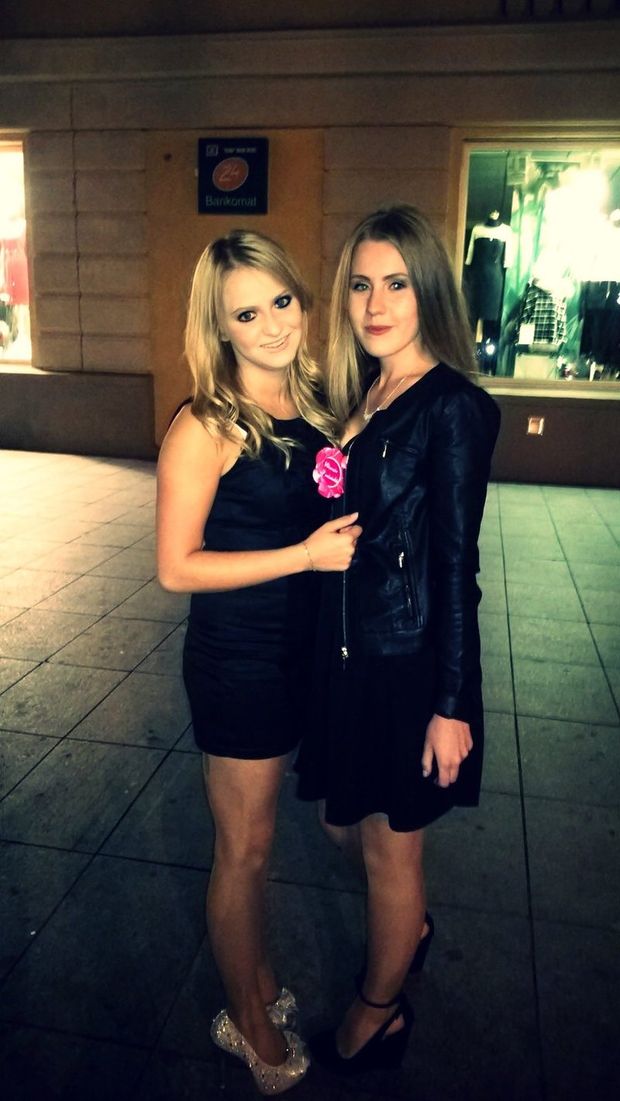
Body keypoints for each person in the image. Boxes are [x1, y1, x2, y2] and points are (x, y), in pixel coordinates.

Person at [295, 203, 501, 1074]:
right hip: (347, 651)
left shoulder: (453, 407)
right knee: (340, 822)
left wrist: (450, 705)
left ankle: (377, 1013)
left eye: (398, 284)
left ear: (431, 294)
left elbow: (456, 565)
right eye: (360, 285)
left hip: (407, 663)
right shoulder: (366, 392)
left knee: (388, 844)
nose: (375, 305)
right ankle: (406, 925)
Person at [156, 228, 361, 1094]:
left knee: (265, 840)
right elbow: (176, 567)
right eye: (248, 313)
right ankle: (244, 1018)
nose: (274, 323)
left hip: (301, 654)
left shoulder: (315, 403)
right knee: (243, 848)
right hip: (239, 659)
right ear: (220, 327)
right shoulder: (206, 424)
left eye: (282, 300)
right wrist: (303, 557)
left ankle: (258, 978)